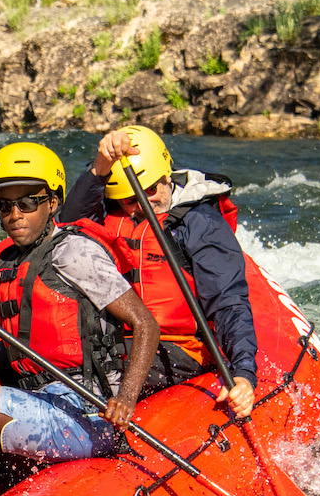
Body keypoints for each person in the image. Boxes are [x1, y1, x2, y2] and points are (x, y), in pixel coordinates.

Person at [0, 142, 177, 465]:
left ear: (53, 202)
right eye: (5, 206)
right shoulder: (5, 263)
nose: (15, 215)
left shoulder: (74, 252)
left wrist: (126, 399)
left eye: (28, 203)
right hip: (32, 400)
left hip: (84, 413)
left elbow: (145, 324)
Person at [63, 125, 258, 413]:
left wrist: (243, 372)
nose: (143, 203)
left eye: (151, 190)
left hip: (179, 349)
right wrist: (101, 166)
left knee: (94, 374)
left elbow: (228, 301)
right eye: (131, 200)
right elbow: (68, 226)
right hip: (116, 342)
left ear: (168, 175)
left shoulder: (198, 223)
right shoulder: (110, 215)